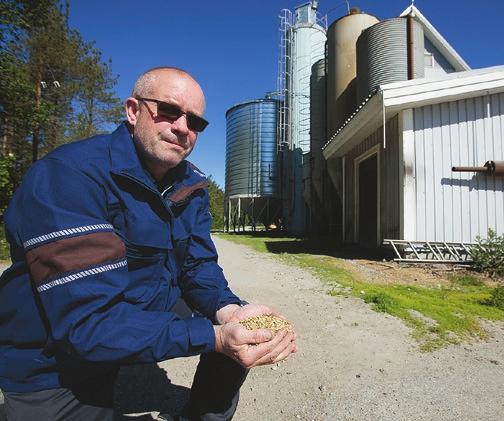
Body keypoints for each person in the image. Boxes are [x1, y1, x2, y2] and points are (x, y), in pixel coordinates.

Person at [0, 66, 297, 420]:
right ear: (133, 110)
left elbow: (196, 266)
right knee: (217, 337)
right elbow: (89, 323)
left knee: (241, 324)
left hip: (144, 304)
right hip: (57, 346)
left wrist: (228, 312)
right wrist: (213, 336)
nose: (183, 128)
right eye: (169, 111)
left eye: (196, 122)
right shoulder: (69, 176)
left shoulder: (192, 185)